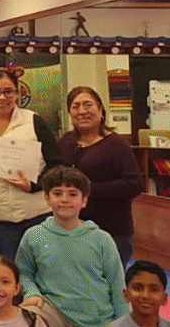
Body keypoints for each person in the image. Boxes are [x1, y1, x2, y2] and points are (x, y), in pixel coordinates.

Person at [16, 166, 127, 327]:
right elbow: (24, 272)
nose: (64, 200)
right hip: (55, 313)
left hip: (96, 319)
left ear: (84, 200)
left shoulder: (101, 239)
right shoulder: (34, 235)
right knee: (28, 315)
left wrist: (124, 326)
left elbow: (117, 283)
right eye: (57, 193)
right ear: (47, 198)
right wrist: (31, 292)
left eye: (72, 194)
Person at [0, 66, 61, 259]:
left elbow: (56, 164)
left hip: (36, 212)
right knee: (7, 267)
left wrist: (34, 185)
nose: (2, 97)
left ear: (17, 93)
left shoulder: (33, 121)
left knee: (42, 266)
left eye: (8, 91)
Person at [58, 85, 143, 264]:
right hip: (70, 228)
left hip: (111, 231)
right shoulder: (65, 142)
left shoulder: (117, 145)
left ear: (100, 110)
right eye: (75, 106)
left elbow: (134, 184)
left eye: (88, 105)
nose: (82, 111)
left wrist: (88, 189)